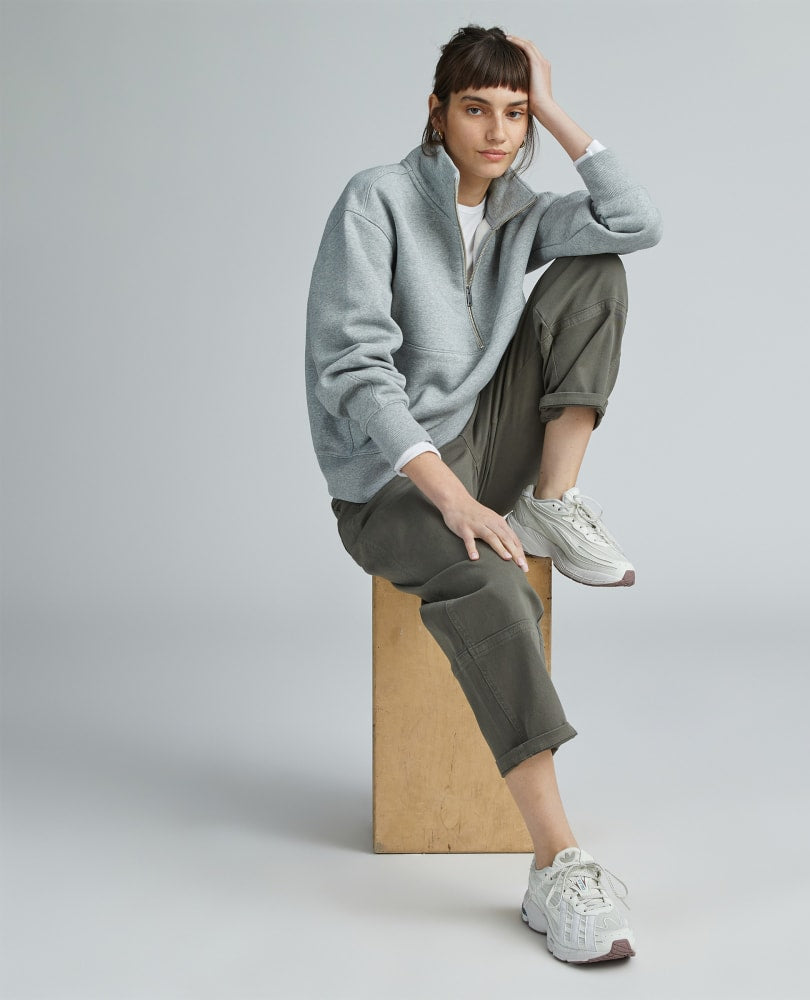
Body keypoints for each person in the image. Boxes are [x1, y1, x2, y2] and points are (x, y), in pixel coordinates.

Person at [305, 25, 661, 964]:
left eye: (514, 114)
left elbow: (635, 222)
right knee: (495, 583)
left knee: (597, 268)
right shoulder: (376, 200)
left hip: (484, 447)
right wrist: (451, 499)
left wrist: (554, 105)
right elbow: (356, 370)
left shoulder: (519, 211)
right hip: (387, 482)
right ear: (437, 111)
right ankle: (557, 861)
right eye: (477, 109)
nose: (498, 133)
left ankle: (553, 497)